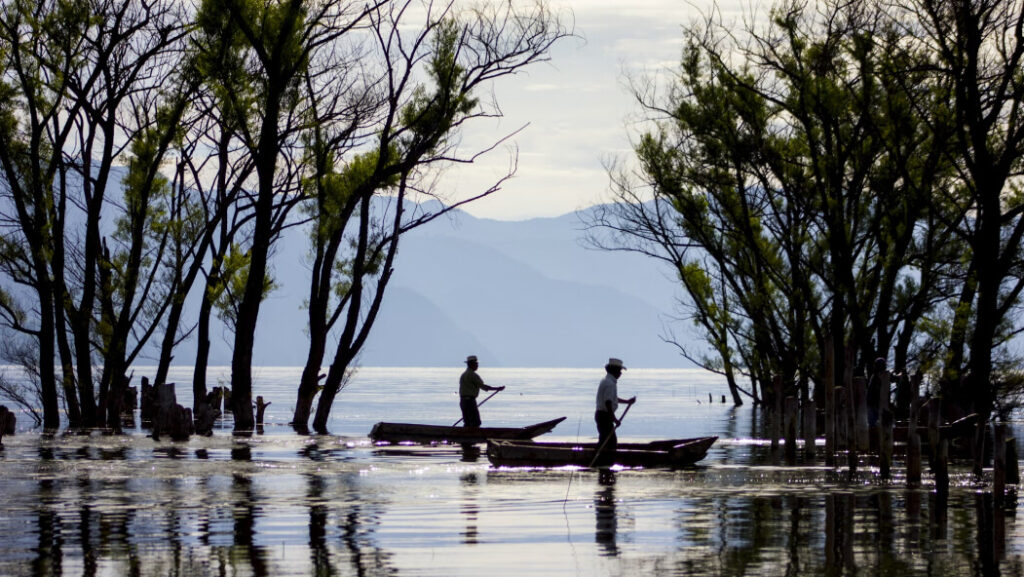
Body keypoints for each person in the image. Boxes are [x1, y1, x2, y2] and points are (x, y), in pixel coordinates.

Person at [594, 358, 635, 462]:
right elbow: (608, 403)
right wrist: (614, 419)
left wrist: (627, 401)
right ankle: (603, 463)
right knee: (610, 442)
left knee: (605, 440)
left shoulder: (607, 381)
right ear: (614, 371)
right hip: (604, 416)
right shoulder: (609, 383)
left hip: (602, 415)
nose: (620, 373)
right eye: (619, 371)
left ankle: (602, 462)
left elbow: (613, 399)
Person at [459, 355, 504, 428]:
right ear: (472, 364)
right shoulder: (473, 375)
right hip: (470, 402)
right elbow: (483, 386)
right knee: (476, 422)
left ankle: (465, 436)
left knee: (467, 422)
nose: (477, 365)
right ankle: (473, 436)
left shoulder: (464, 375)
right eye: (476, 364)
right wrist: (497, 388)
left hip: (463, 401)